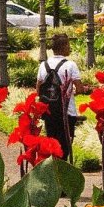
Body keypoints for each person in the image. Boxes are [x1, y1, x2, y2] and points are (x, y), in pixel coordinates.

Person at [36, 32, 83, 161]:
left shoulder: (43, 65)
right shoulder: (70, 65)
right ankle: (63, 172)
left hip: (49, 111)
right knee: (65, 147)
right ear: (63, 46)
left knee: (52, 145)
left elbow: (38, 90)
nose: (70, 48)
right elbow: (79, 89)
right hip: (66, 112)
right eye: (68, 45)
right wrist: (69, 92)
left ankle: (54, 170)